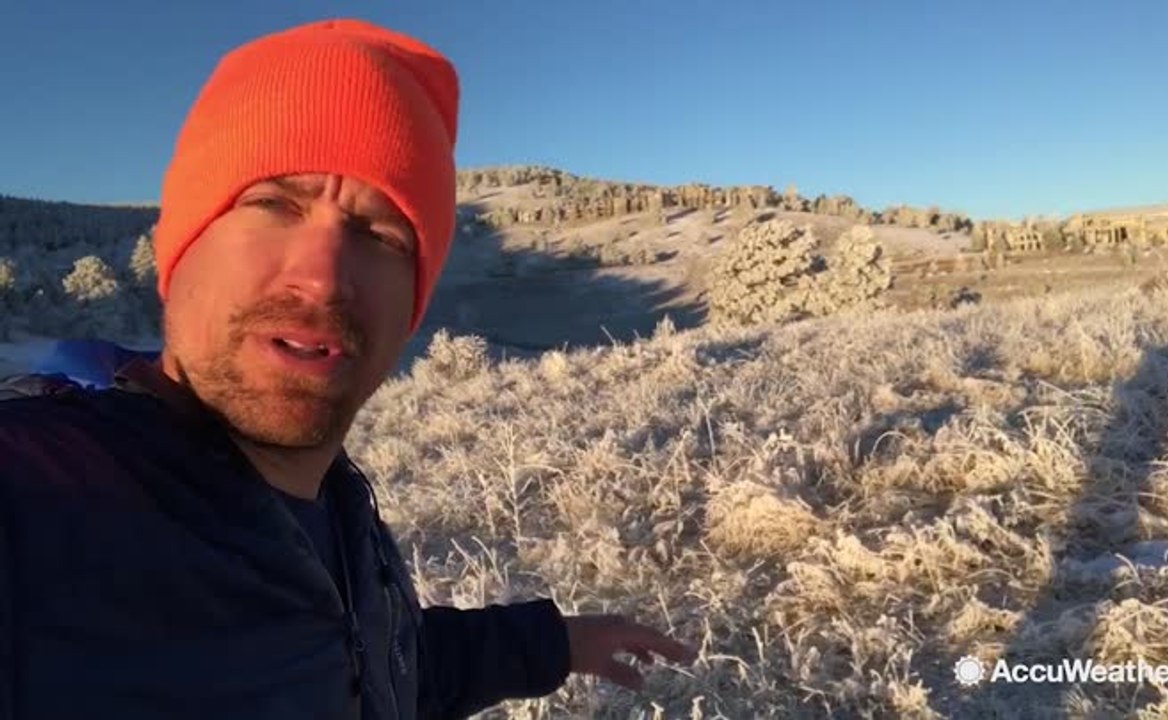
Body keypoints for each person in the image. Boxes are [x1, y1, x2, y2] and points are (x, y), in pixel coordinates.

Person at [0, 18, 693, 720]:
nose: (323, 278)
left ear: (414, 302)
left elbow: (369, 666)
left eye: (379, 234)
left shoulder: (333, 506)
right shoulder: (48, 497)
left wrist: (551, 642)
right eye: (272, 204)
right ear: (176, 249)